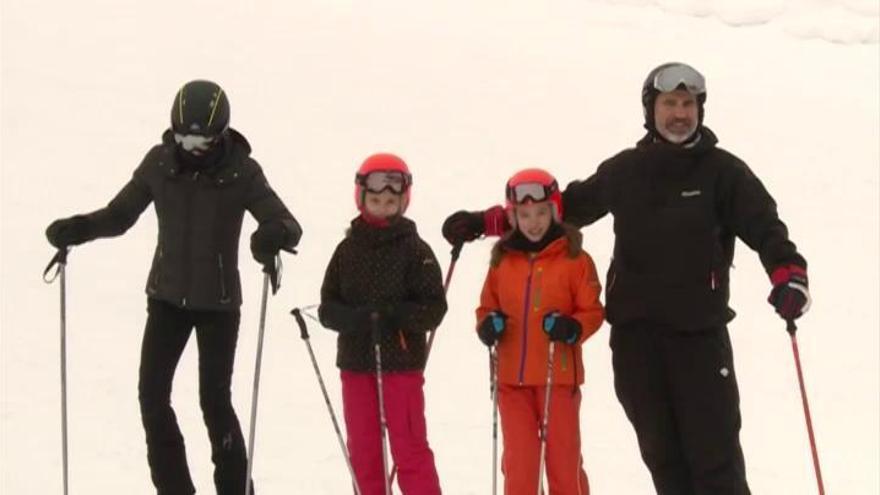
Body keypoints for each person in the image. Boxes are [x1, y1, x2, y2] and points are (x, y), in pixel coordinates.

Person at [442, 62, 810, 495]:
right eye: (669, 103)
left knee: (715, 458)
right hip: (637, 342)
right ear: (650, 109)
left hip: (699, 339)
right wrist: (486, 222)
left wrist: (789, 276)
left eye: (688, 104)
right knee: (662, 457)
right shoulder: (627, 171)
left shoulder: (723, 173)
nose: (679, 113)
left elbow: (766, 227)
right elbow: (561, 208)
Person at [45, 79, 301, 495]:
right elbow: (120, 214)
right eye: (182, 136)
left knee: (214, 401)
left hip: (218, 304)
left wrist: (269, 236)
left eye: (200, 141)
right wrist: (80, 228)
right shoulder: (159, 164)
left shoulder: (241, 171)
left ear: (220, 135)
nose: (189, 147)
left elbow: (288, 225)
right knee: (152, 396)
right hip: (167, 298)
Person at [318, 153, 447, 495]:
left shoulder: (416, 250)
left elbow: (435, 308)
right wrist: (354, 319)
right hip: (356, 365)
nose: (383, 207)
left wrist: (397, 314)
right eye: (375, 200)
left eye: (391, 201)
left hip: (400, 366)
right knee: (363, 450)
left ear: (403, 201)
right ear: (361, 199)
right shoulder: (346, 251)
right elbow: (327, 307)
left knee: (409, 448)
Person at [476, 168, 604, 495]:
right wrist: (489, 324)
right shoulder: (502, 261)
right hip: (511, 382)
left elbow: (592, 310)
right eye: (524, 214)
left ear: (555, 212)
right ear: (513, 216)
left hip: (557, 379)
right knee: (521, 464)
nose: (533, 222)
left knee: (563, 461)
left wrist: (572, 326)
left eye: (542, 212)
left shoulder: (575, 259)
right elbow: (486, 306)